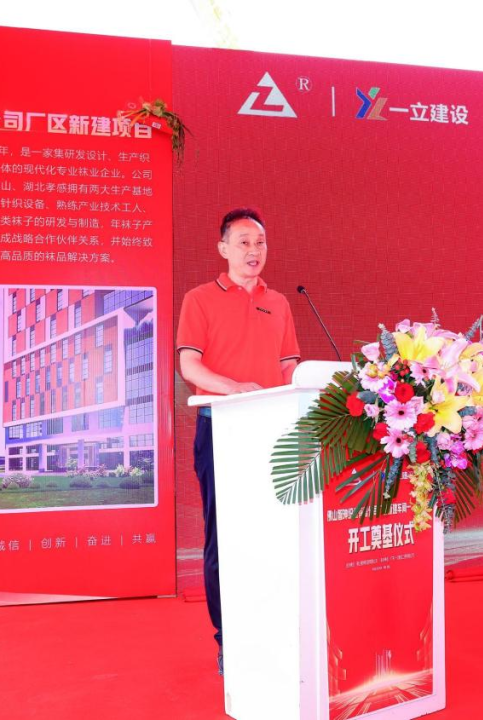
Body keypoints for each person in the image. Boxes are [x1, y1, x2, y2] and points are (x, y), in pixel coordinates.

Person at [176, 207, 301, 675]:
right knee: (225, 537)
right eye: (244, 242)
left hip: (274, 430)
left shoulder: (280, 302)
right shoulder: (200, 299)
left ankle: (276, 629)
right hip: (223, 425)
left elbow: (288, 367)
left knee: (276, 533)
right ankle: (230, 639)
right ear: (223, 249)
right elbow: (190, 366)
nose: (254, 250)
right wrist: (235, 389)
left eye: (260, 242)